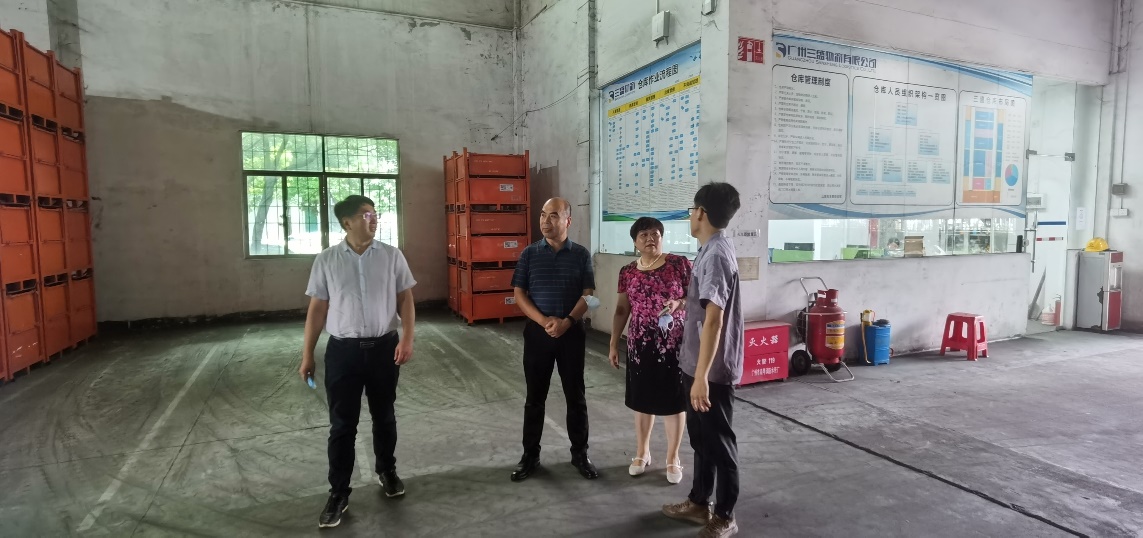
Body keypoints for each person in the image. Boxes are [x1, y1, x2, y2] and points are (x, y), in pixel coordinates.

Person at [299, 195, 417, 529]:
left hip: (384, 349)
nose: (374, 219)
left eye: (375, 214)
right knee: (342, 425)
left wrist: (407, 338)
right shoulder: (327, 260)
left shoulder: (392, 256)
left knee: (385, 416)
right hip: (343, 353)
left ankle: (387, 470)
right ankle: (338, 492)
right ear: (347, 222)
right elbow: (317, 309)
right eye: (367, 215)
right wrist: (308, 354)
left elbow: (405, 299)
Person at [662, 183, 744, 538]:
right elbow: (704, 307)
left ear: (700, 213)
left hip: (710, 370)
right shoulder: (711, 249)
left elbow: (714, 320)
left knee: (719, 442)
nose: (690, 216)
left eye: (691, 210)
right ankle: (699, 501)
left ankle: (725, 515)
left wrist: (701, 377)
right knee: (702, 439)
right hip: (697, 362)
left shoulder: (716, 255)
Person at [509, 197, 599, 482]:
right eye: (542, 215)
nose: (545, 221)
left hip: (572, 333)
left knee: (576, 396)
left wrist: (568, 321)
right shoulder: (529, 254)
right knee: (534, 398)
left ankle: (580, 454)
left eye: (553, 215)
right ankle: (530, 456)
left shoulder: (581, 254)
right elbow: (519, 293)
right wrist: (543, 321)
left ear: (568, 220)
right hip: (538, 334)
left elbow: (589, 295)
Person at [609, 217, 692, 484]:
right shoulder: (627, 271)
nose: (650, 239)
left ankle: (673, 457)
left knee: (673, 401)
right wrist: (614, 343)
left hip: (673, 345)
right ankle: (642, 452)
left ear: (662, 237)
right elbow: (622, 309)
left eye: (655, 234)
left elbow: (696, 298)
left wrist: (679, 303)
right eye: (643, 235)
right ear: (635, 241)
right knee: (642, 400)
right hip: (640, 345)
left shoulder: (679, 264)